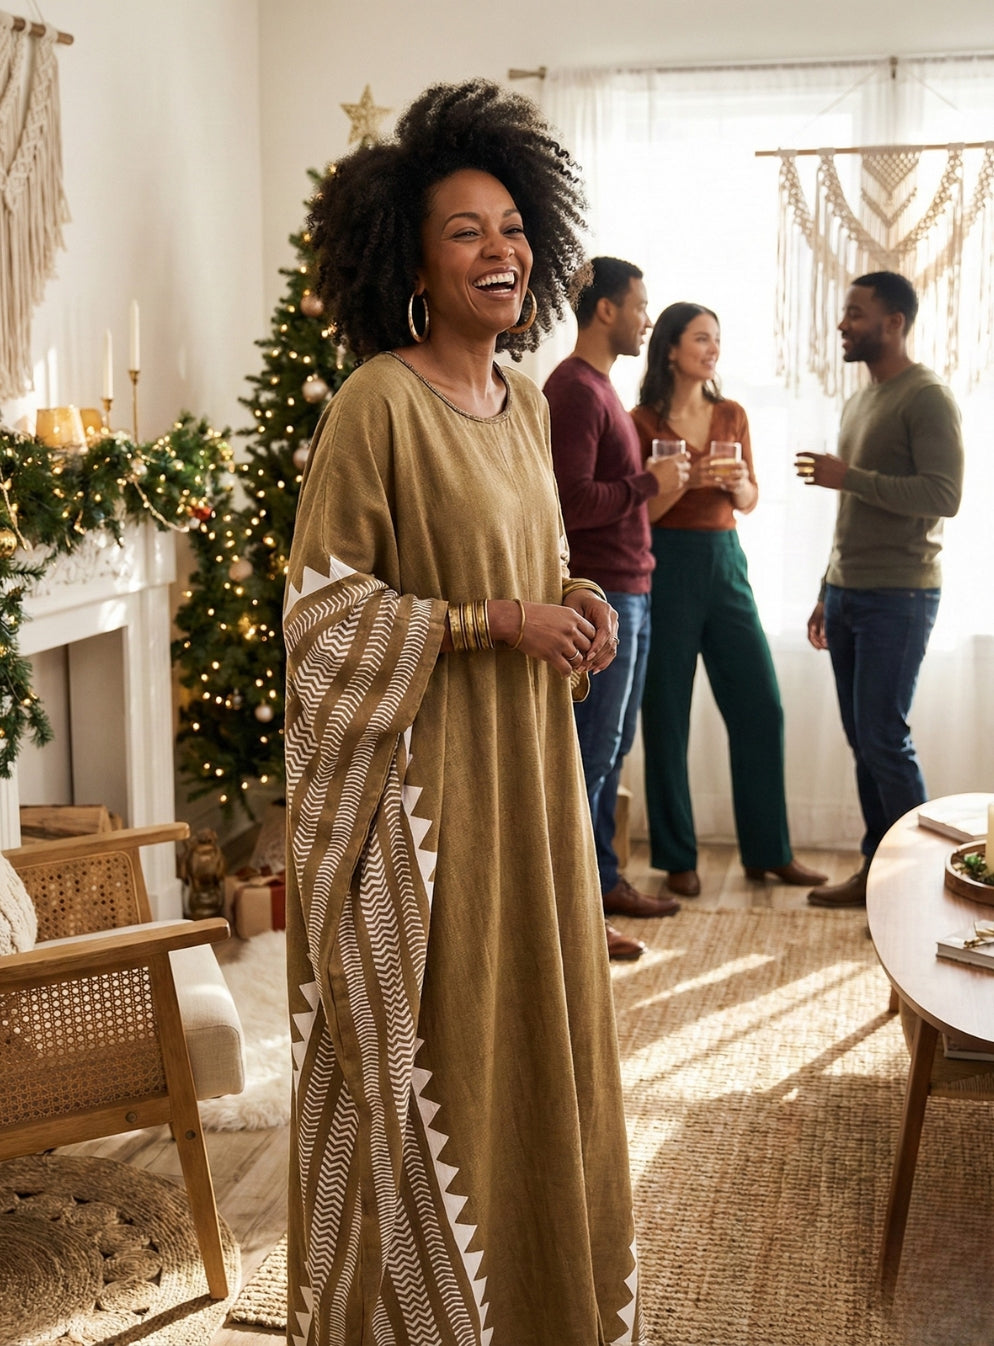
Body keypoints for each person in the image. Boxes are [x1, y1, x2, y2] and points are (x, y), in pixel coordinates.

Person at [283, 80, 644, 1346]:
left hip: (531, 788)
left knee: (536, 1037)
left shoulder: (530, 406)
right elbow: (323, 623)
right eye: (464, 231)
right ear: (413, 266)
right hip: (425, 815)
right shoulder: (373, 405)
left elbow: (535, 568)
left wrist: (576, 602)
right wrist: (491, 621)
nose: (500, 250)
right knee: (447, 1052)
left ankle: (540, 1304)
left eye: (510, 225)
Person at [631, 302, 827, 897]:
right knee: (666, 715)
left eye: (717, 339)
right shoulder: (640, 422)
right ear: (670, 349)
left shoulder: (732, 414)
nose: (712, 348)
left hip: (726, 564)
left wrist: (735, 482)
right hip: (664, 564)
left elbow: (749, 498)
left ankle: (770, 851)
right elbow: (642, 513)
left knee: (761, 707)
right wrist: (682, 482)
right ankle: (676, 856)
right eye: (700, 338)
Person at [796, 271, 964, 907]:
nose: (843, 324)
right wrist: (825, 586)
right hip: (848, 591)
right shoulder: (861, 400)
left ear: (893, 322)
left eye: (855, 313)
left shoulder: (927, 397)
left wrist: (852, 476)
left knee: (884, 739)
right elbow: (852, 512)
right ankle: (878, 873)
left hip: (901, 594)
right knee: (864, 740)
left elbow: (944, 495)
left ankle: (921, 890)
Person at [545, 258, 689, 962]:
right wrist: (646, 483)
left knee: (609, 751)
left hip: (633, 589)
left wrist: (648, 486)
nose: (647, 317)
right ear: (604, 310)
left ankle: (602, 883)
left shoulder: (600, 389)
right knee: (590, 757)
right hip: (602, 596)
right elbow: (569, 503)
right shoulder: (573, 391)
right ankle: (577, 914)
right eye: (640, 304)